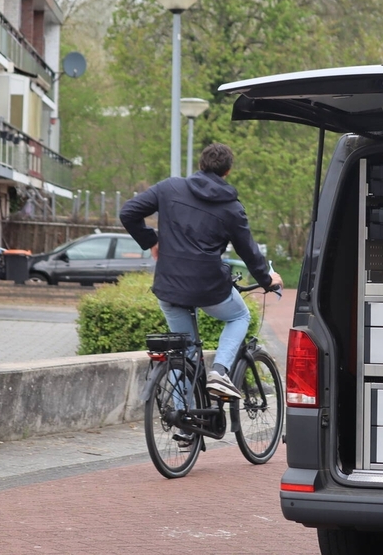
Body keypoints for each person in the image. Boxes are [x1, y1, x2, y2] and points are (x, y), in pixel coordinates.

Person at [120, 142, 283, 411]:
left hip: (168, 285)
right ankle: (219, 371)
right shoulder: (231, 208)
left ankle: (183, 425)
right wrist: (268, 280)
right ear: (228, 171)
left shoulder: (169, 187)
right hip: (209, 287)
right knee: (239, 316)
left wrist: (151, 241)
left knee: (182, 353)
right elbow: (249, 252)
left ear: (200, 164)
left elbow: (128, 212)